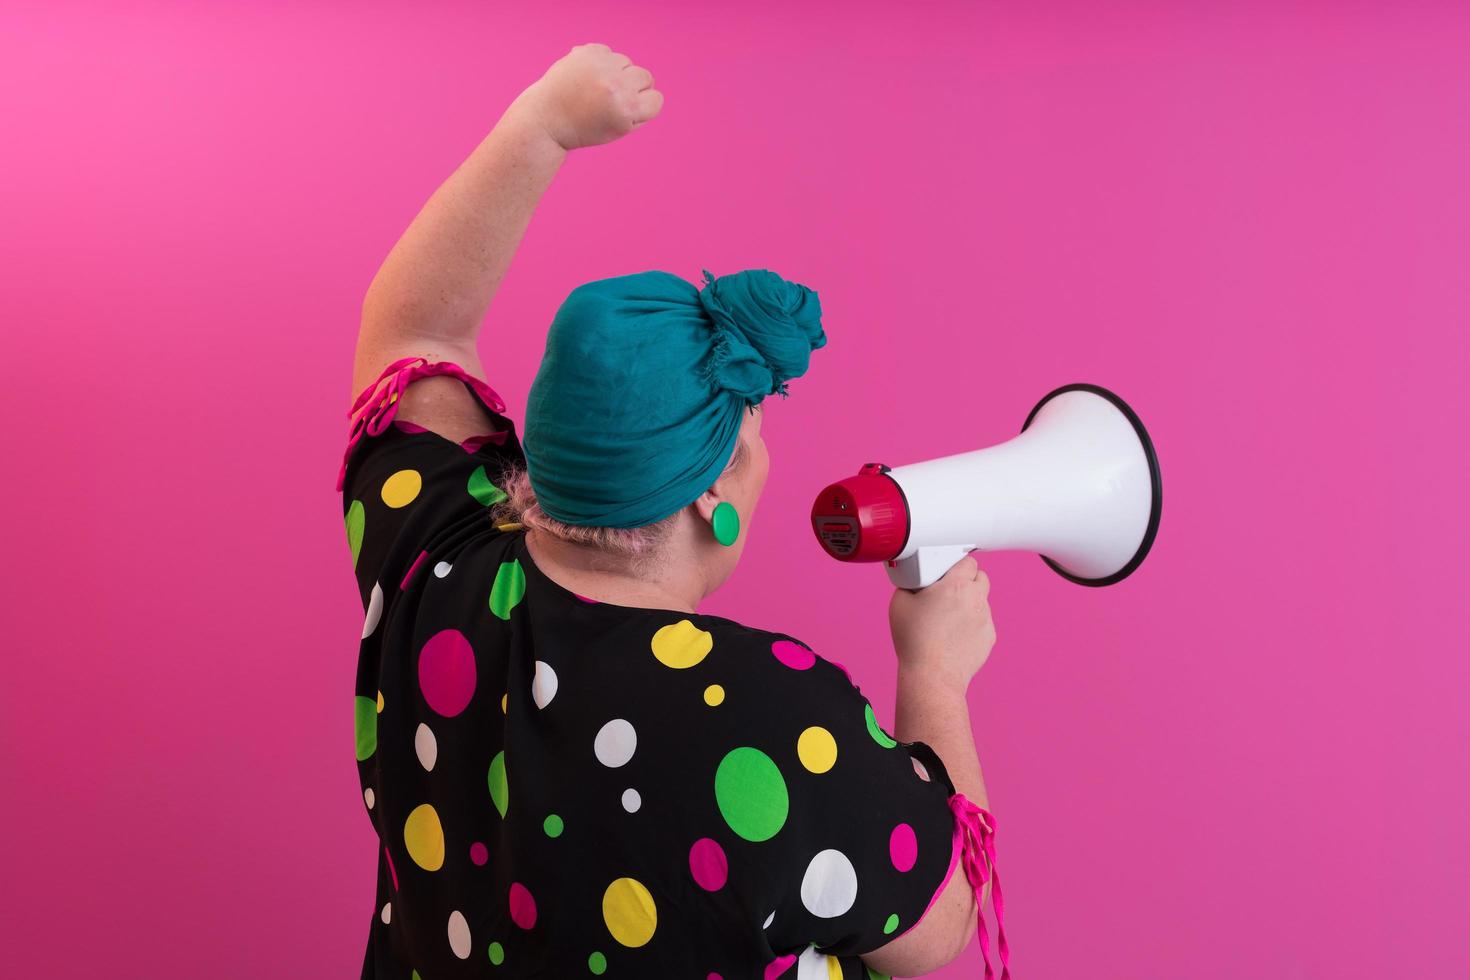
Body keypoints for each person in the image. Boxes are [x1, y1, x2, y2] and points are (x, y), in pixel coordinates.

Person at [338, 43, 1007, 980]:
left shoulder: (433, 561)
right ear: (712, 491)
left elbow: (415, 333)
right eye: (754, 434)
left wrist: (543, 127)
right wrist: (935, 671)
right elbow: (939, 932)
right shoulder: (772, 715)